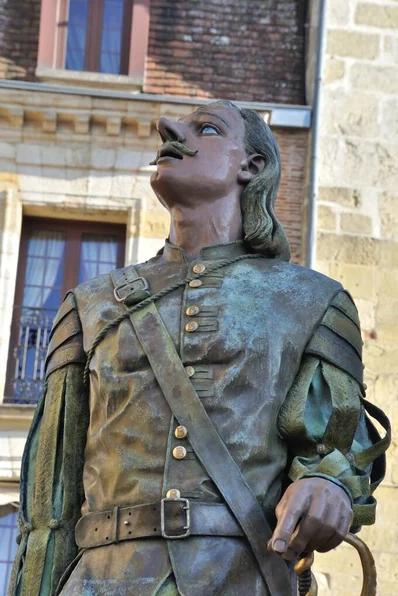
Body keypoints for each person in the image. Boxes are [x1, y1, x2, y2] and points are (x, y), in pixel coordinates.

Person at [9, 101, 389, 596]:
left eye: (205, 128)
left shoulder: (314, 301)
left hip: (242, 578)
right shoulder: (89, 305)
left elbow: (339, 448)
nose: (167, 129)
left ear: (252, 166)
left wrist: (329, 486)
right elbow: (48, 506)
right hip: (101, 581)